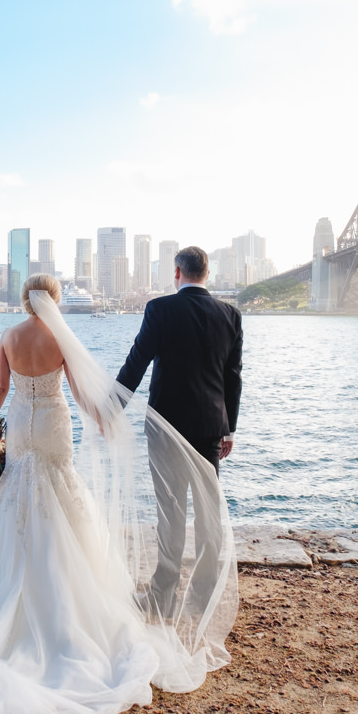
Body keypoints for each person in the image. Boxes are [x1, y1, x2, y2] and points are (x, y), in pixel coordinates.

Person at [0, 274, 236, 714]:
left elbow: (2, 387)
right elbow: (80, 390)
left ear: (25, 299)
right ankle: (69, 592)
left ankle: (14, 589)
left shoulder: (9, 336)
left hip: (23, 424)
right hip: (54, 422)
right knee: (62, 489)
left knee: (21, 494)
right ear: (56, 299)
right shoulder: (60, 336)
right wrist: (103, 418)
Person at [115, 246, 242, 620]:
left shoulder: (160, 309)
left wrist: (110, 409)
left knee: (170, 512)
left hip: (165, 426)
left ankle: (162, 599)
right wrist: (229, 427)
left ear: (177, 273)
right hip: (210, 429)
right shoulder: (230, 315)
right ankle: (203, 598)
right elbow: (233, 379)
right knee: (208, 515)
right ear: (207, 274)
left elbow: (136, 362)